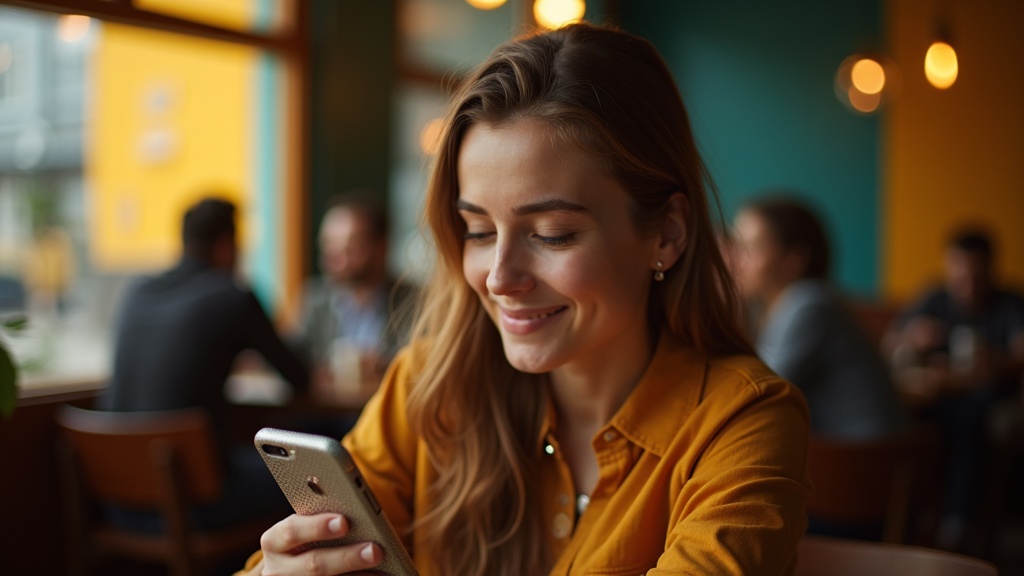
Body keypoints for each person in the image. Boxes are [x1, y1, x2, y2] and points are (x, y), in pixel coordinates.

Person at [238, 23, 810, 576]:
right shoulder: (429, 387)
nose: (499, 278)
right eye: (479, 232)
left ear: (666, 233)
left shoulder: (742, 424)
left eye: (553, 233)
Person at [101, 196, 309, 532]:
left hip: (117, 502)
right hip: (191, 505)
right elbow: (300, 377)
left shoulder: (136, 290)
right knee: (307, 480)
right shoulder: (231, 294)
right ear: (227, 246)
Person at [884, 226, 1024, 551]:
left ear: (990, 269)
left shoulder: (1010, 303)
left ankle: (958, 522)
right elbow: (890, 343)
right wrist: (911, 339)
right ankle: (908, 520)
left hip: (987, 397)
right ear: (949, 267)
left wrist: (997, 363)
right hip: (937, 396)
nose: (967, 285)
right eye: (959, 274)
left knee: (970, 422)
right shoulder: (934, 298)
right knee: (909, 422)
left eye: (975, 275)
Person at [729, 196, 905, 441]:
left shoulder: (807, 303)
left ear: (794, 261)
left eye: (752, 248)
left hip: (864, 460)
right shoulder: (779, 308)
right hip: (849, 454)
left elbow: (756, 392)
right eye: (736, 246)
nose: (736, 259)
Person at [293, 193, 418, 393]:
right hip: (324, 413)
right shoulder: (316, 297)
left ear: (381, 246)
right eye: (328, 246)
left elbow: (426, 360)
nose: (336, 257)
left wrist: (383, 364)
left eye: (351, 246)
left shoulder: (415, 300)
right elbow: (295, 352)